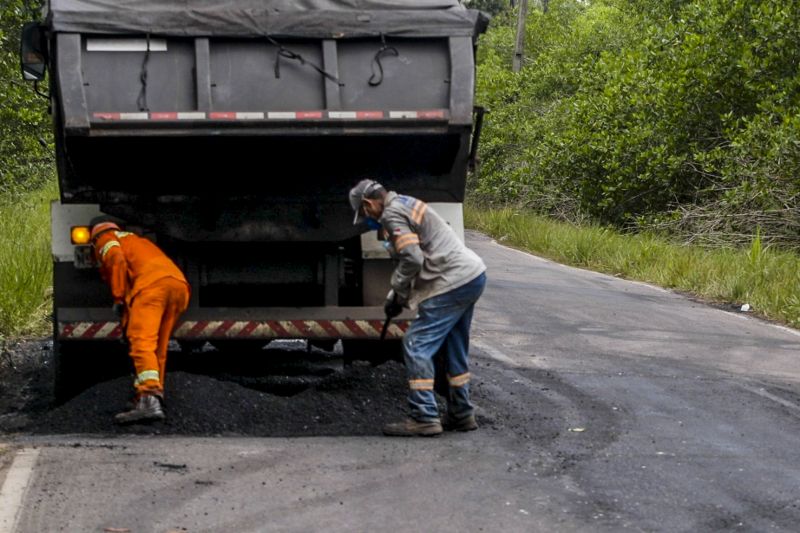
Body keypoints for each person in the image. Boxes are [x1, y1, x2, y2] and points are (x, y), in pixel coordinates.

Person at [348, 179, 487, 436]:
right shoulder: (404, 202)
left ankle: (424, 416)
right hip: (472, 275)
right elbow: (415, 255)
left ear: (369, 203)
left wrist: (398, 290)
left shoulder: (391, 213)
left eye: (365, 213)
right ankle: (462, 413)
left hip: (451, 281)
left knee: (416, 344)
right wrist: (396, 296)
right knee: (454, 346)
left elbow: (413, 258)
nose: (368, 219)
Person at [89, 217, 190, 424]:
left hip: (152, 287)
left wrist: (117, 297)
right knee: (158, 348)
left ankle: (148, 399)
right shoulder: (134, 240)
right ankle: (153, 396)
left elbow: (115, 259)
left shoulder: (104, 238)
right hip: (178, 286)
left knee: (141, 342)